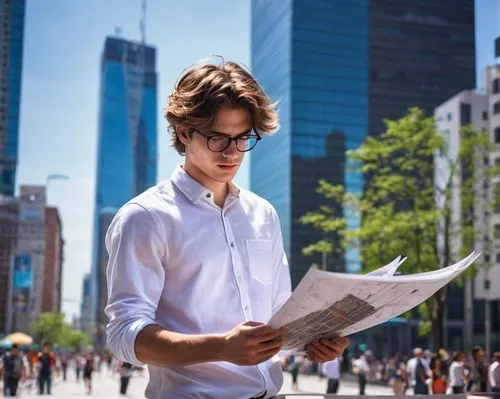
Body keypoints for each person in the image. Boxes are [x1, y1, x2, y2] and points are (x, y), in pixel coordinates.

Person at [104, 59, 349, 398]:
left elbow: (279, 316)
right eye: (219, 138)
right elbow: (124, 335)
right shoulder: (145, 217)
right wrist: (220, 348)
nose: (233, 153)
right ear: (184, 132)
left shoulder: (263, 214)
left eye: (243, 137)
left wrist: (312, 343)